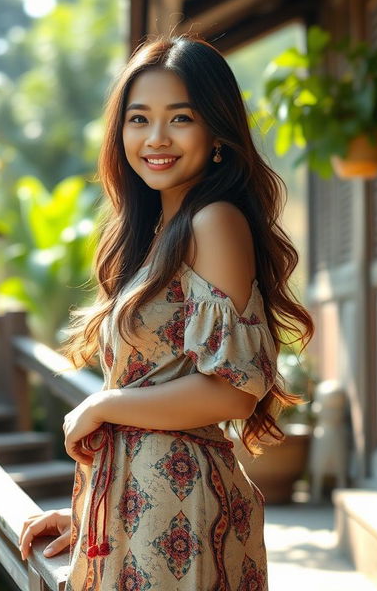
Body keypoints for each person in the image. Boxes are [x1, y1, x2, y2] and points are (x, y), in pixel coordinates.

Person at [19, 34, 314, 590]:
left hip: (181, 511)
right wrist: (86, 515)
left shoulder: (215, 222)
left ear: (216, 132)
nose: (155, 138)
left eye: (180, 118)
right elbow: (157, 381)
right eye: (138, 119)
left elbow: (233, 389)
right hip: (134, 509)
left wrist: (104, 404)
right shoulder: (154, 236)